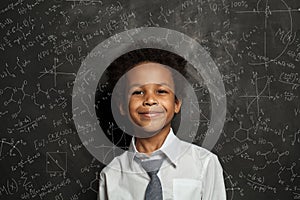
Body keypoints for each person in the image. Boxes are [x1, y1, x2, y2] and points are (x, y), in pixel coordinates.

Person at [98, 48, 226, 200]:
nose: (150, 100)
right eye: (138, 92)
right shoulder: (111, 175)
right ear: (122, 106)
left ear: (177, 103)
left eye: (161, 91)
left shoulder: (205, 164)